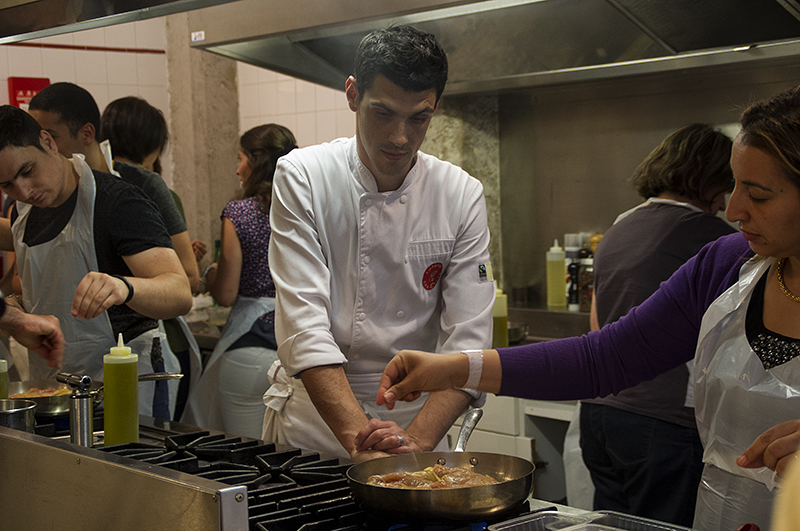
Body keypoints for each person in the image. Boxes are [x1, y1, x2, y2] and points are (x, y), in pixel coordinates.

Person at [376, 84, 800, 531]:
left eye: (759, 195)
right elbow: (605, 357)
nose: (733, 209)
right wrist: (456, 368)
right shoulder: (724, 266)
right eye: (733, 186)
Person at [264, 24, 495, 461]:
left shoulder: (460, 194)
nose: (400, 137)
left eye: (418, 118)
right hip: (319, 425)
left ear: (435, 108)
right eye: (383, 112)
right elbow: (305, 330)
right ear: (352, 94)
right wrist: (359, 439)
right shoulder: (304, 177)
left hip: (418, 418)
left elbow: (468, 344)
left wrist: (417, 441)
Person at [575, 124, 735, 526]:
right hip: (660, 421)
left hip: (599, 417)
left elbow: (597, 324)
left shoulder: (621, 224)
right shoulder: (711, 236)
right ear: (706, 176)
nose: (726, 202)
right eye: (725, 185)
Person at [0, 104, 192, 419]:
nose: (22, 190)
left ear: (48, 142)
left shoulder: (117, 202)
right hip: (55, 386)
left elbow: (179, 292)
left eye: (27, 171)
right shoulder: (21, 212)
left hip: (127, 380)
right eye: (6, 184)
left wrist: (125, 287)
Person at [183, 124, 296, 438]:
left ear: (256, 162)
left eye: (241, 158)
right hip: (299, 347)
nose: (237, 169)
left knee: (246, 457)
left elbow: (226, 293)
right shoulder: (307, 209)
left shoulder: (240, 212)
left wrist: (209, 274)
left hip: (250, 347)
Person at [98, 95, 203, 421]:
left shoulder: (83, 186)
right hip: (158, 340)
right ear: (154, 145)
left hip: (100, 344)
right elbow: (190, 279)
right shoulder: (149, 186)